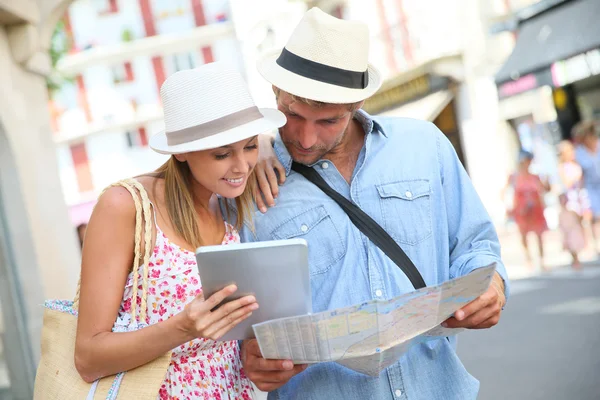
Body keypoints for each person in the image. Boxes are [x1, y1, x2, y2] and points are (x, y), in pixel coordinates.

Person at [239, 8, 509, 400]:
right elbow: (240, 322)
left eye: (328, 121)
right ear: (274, 95)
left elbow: (475, 246)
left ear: (358, 103)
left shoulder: (425, 146)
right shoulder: (250, 186)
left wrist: (492, 285)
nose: (306, 138)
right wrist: (251, 356)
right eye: (291, 115)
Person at [74, 63, 286, 399]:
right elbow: (87, 358)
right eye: (222, 153)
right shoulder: (127, 206)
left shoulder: (230, 204)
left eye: (248, 147)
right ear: (181, 151)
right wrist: (183, 328)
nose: (241, 166)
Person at [504, 150, 550, 270]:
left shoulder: (535, 176)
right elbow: (505, 192)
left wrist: (547, 181)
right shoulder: (513, 177)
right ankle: (528, 258)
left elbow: (546, 189)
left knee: (539, 235)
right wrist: (508, 207)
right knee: (524, 235)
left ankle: (542, 260)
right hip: (521, 210)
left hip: (536, 209)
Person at [573, 120, 600, 254]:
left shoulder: (599, 146)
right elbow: (580, 173)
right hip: (590, 187)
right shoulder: (580, 152)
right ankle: (596, 243)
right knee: (595, 216)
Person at [558, 193, 585, 269]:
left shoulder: (572, 211)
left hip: (573, 231)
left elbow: (578, 220)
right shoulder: (560, 213)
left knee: (574, 246)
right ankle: (575, 260)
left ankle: (576, 260)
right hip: (567, 232)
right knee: (570, 247)